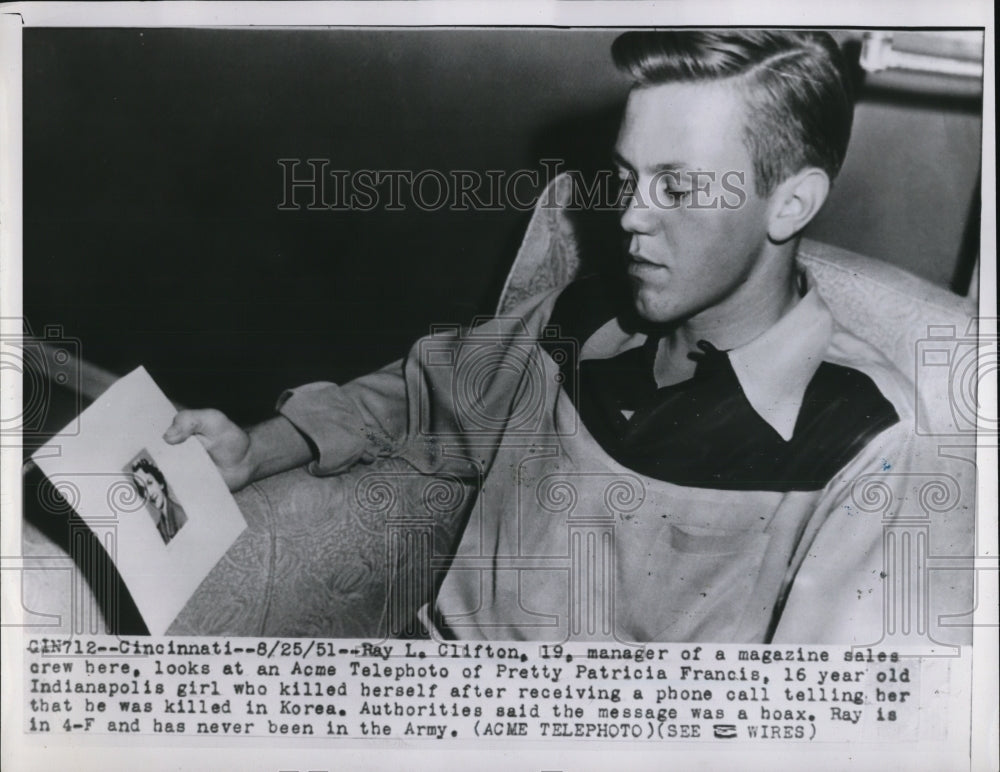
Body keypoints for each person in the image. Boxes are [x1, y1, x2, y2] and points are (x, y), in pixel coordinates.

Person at [164, 31, 957, 642]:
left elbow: (822, 728)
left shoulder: (866, 441)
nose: (629, 215)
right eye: (626, 177)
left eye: (675, 186)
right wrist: (255, 448)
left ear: (790, 204)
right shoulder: (582, 319)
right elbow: (417, 396)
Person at [131, 458, 188, 545]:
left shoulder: (181, 516)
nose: (149, 493)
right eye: (144, 490)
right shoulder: (159, 529)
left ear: (160, 483)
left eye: (150, 483)